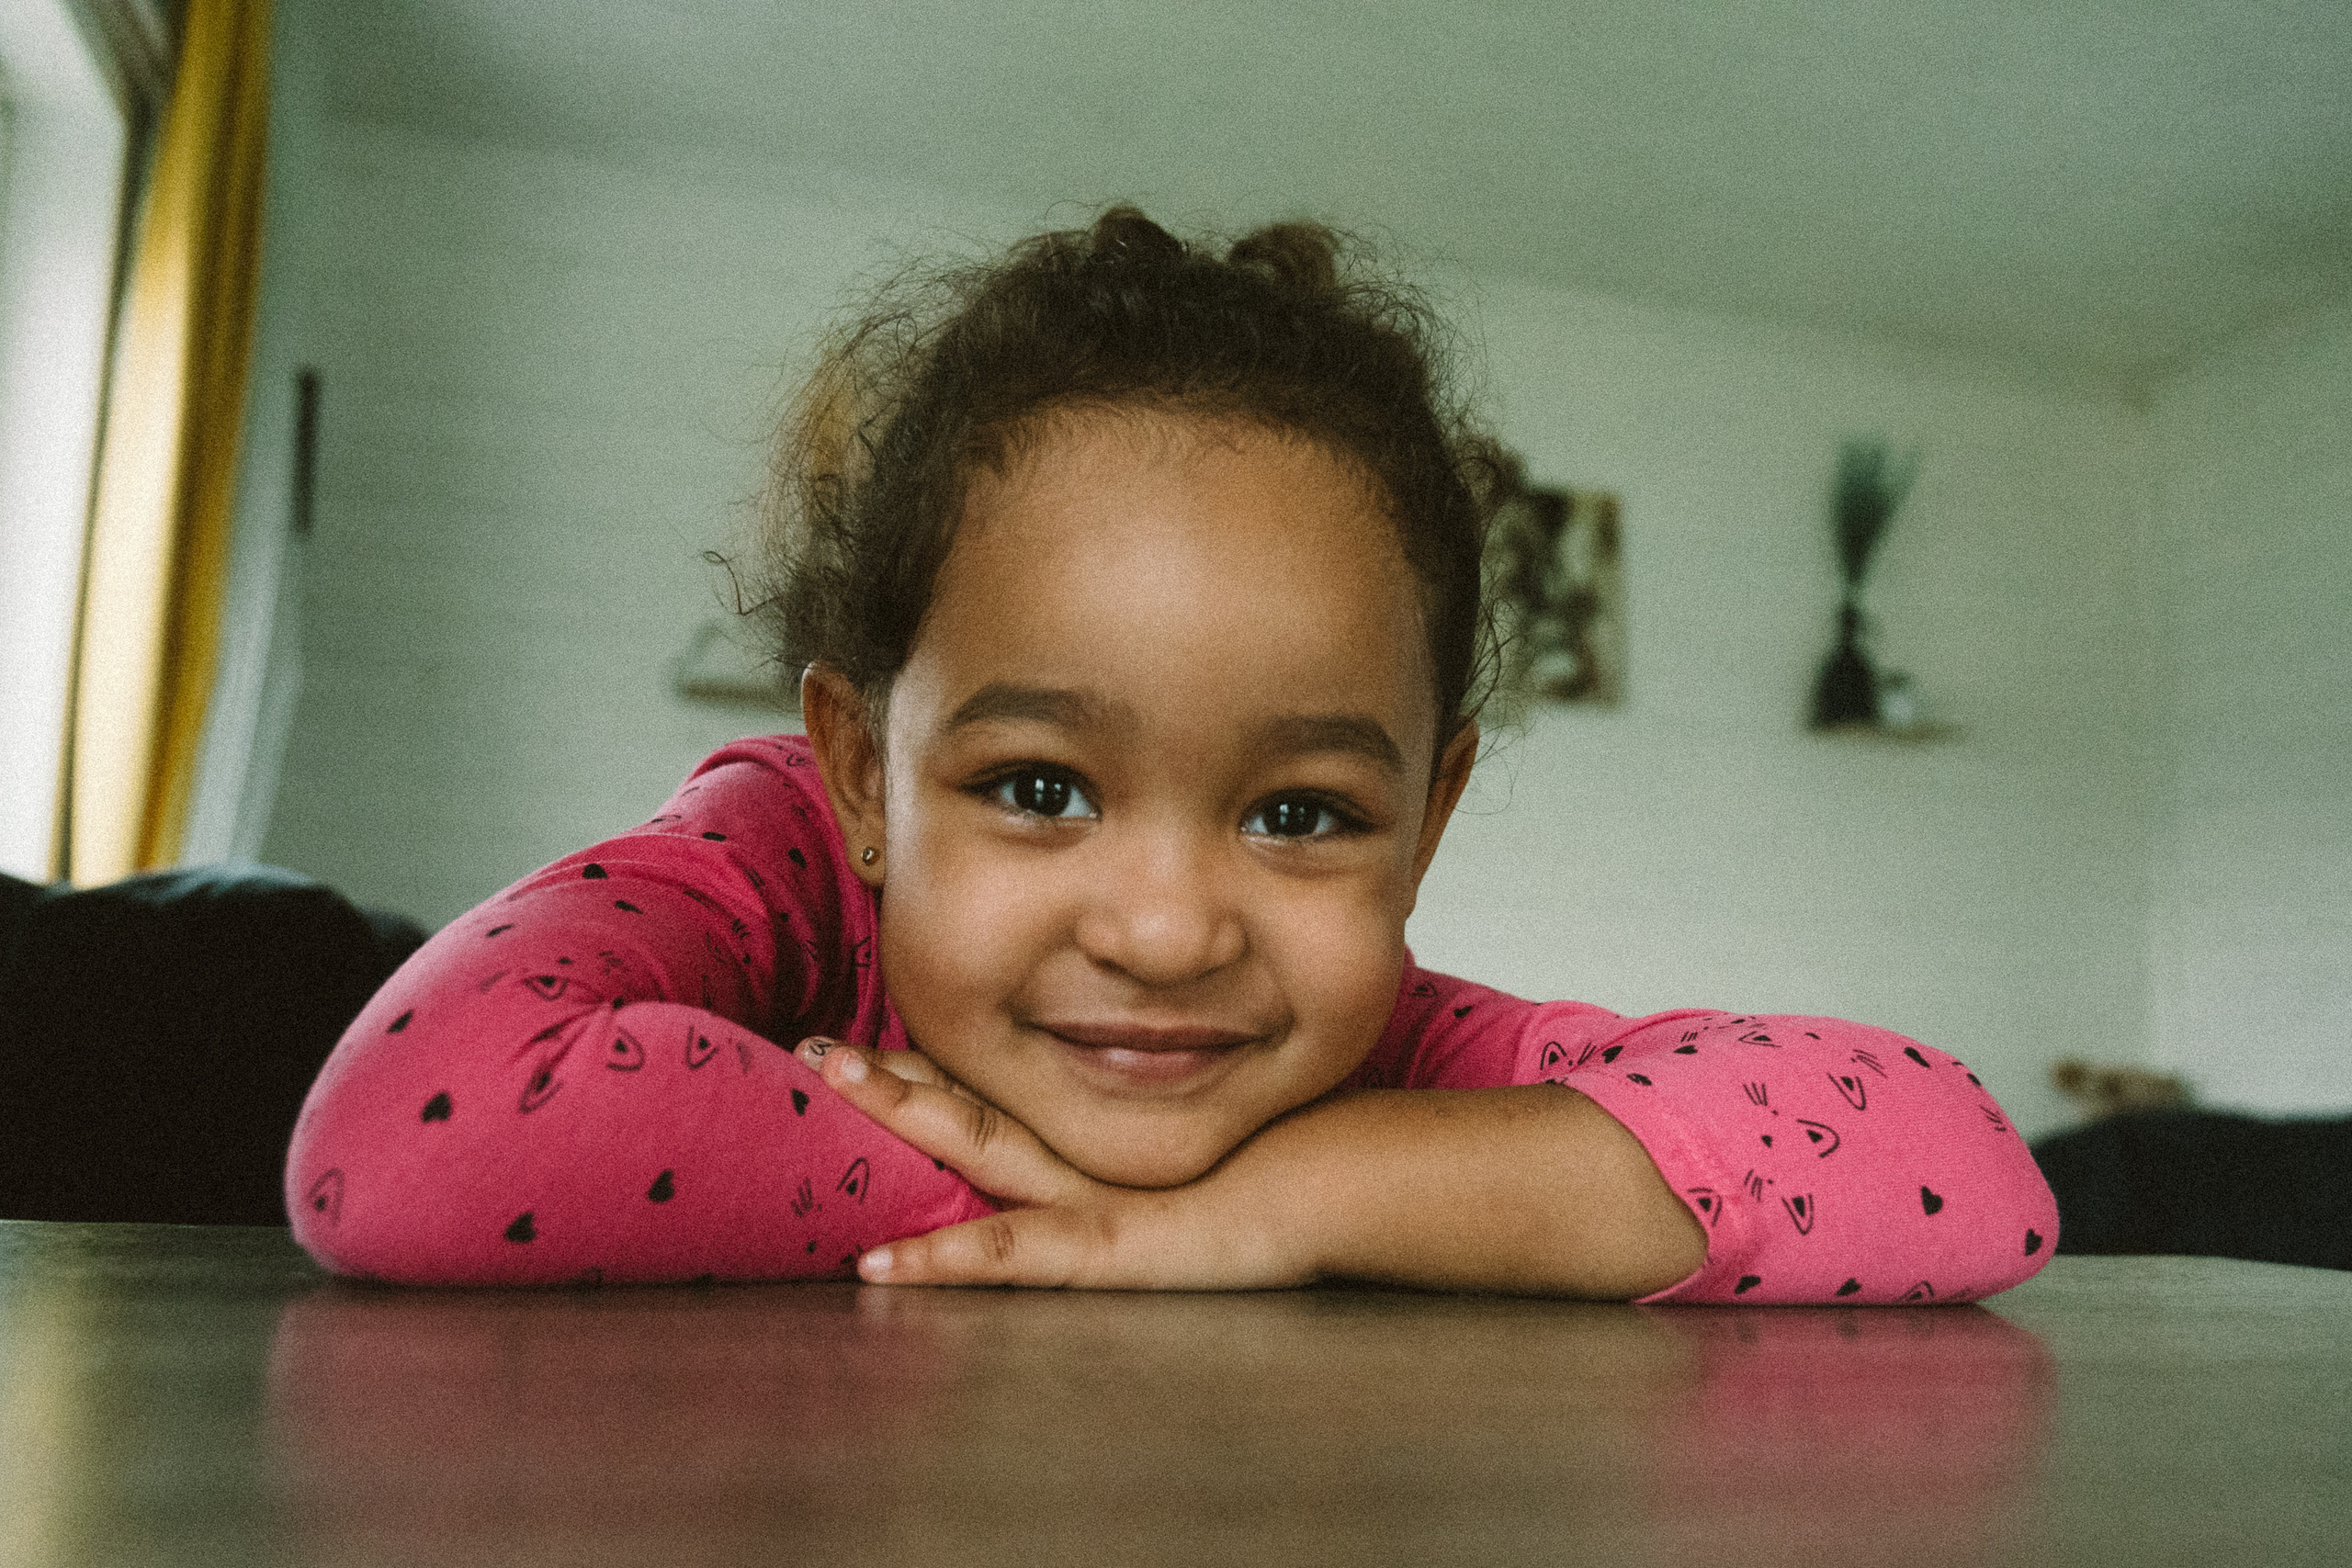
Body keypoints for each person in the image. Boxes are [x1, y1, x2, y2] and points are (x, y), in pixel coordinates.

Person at [285, 209, 2055, 1302]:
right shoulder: (775, 878)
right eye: (1041, 786)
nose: (1167, 930)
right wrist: (1023, 1198)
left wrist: (1271, 1208)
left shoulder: (1387, 1065)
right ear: (861, 773)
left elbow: (1967, 1171)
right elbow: (405, 1148)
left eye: (1300, 813)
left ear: (1425, 822)